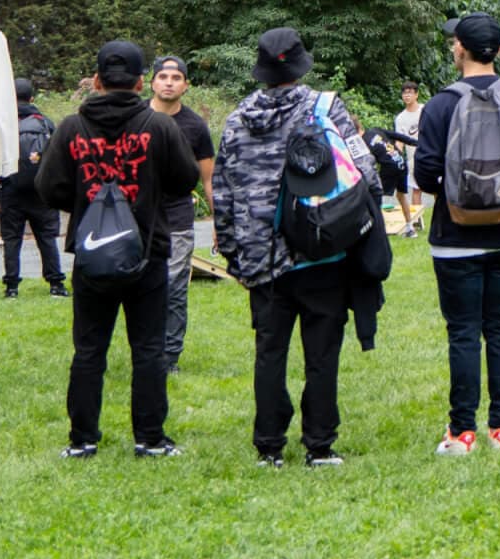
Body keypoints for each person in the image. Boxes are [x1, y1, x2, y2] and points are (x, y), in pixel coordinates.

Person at [212, 27, 382, 468]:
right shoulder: (324, 108)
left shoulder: (236, 120)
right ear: (301, 63)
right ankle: (319, 444)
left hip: (261, 256)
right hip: (320, 249)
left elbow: (223, 195)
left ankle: (269, 445)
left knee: (270, 352)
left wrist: (234, 254)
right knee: (321, 353)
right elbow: (364, 170)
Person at [37, 42, 199, 459]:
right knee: (148, 348)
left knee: (89, 349)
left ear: (96, 82)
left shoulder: (72, 127)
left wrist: (86, 199)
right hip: (148, 250)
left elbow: (47, 186)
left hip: (92, 254)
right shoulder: (160, 127)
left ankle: (82, 440)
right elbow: (185, 180)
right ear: (142, 82)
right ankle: (149, 438)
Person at [414, 14, 500, 455]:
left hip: (455, 238)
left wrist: (462, 196)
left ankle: (462, 433)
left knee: (463, 332)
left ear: (461, 48)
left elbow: (424, 173)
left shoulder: (440, 105)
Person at [149, 56, 215, 373]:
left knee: (174, 288)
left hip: (177, 217)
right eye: (163, 76)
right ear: (152, 82)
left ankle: (169, 356)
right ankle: (144, 350)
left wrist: (219, 223)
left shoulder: (195, 127)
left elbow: (209, 179)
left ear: (186, 85)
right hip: (136, 219)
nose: (169, 82)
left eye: (176, 77)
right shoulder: (134, 119)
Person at [0, 77, 66, 300]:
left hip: (11, 188)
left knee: (12, 239)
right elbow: (57, 155)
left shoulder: (4, 124)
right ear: (32, 98)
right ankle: (56, 283)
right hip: (41, 191)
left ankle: (11, 287)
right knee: (46, 238)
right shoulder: (45, 123)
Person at [394, 81, 425, 237]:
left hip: (428, 154)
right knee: (416, 189)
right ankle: (417, 220)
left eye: (410, 92)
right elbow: (399, 140)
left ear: (416, 94)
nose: (407, 95)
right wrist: (396, 155)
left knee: (435, 189)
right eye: (405, 93)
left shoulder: (424, 110)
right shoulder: (400, 118)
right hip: (412, 157)